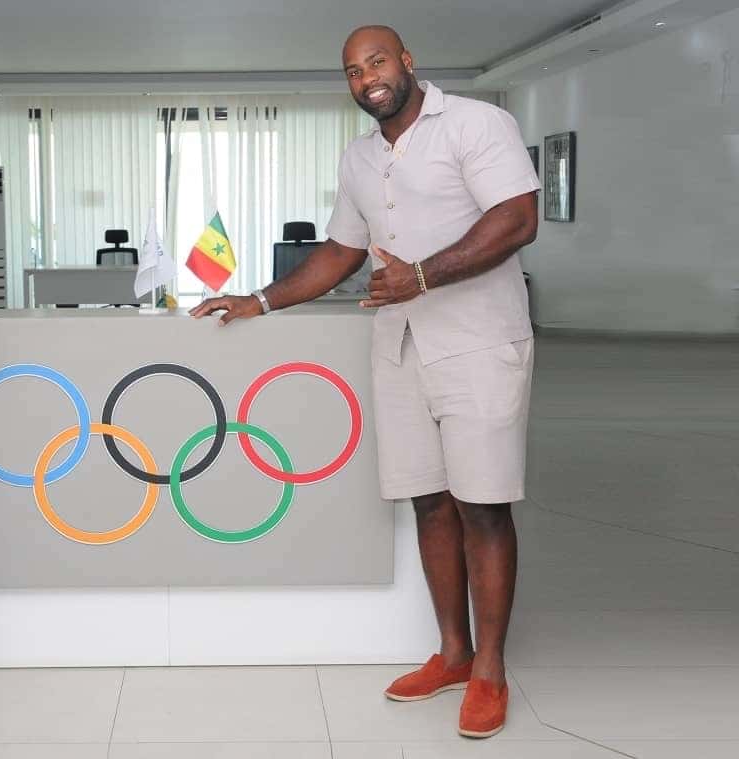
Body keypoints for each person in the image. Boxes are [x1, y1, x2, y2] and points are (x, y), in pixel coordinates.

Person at [190, 25, 540, 739]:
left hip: (477, 343)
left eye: (377, 62)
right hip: (400, 346)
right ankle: (452, 652)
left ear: (407, 62)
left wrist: (420, 275)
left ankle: (490, 670)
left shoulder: (478, 124)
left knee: (483, 506)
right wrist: (258, 300)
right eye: (352, 71)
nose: (366, 78)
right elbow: (341, 252)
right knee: (429, 502)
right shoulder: (359, 157)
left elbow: (517, 218)